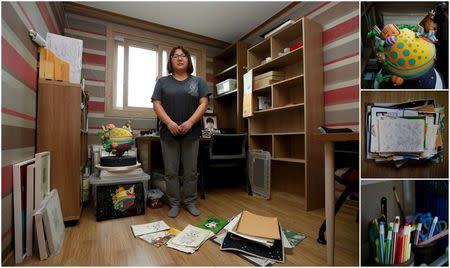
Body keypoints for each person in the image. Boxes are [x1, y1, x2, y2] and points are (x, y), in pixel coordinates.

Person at [151, 46, 210, 217]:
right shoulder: (162, 82)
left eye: (183, 55)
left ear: (188, 60)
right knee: (171, 172)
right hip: (168, 134)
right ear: (170, 61)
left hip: (191, 134)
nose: (179, 58)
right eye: (175, 56)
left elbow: (204, 103)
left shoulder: (198, 81)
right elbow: (156, 104)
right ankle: (175, 203)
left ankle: (190, 202)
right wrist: (169, 123)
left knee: (191, 172)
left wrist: (190, 122)